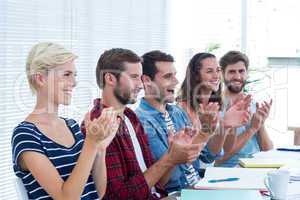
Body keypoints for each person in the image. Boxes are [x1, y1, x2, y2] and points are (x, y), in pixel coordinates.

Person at [81, 48, 202, 199]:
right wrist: (169, 159)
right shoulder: (98, 124)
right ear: (110, 79)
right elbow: (120, 197)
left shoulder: (130, 117)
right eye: (134, 77)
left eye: (140, 77)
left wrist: (172, 156)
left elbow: (157, 185)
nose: (140, 84)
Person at [11, 42, 119, 199]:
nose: (74, 83)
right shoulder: (25, 135)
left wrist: (99, 148)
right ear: (41, 79)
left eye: (74, 76)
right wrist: (90, 144)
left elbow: (99, 192)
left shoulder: (72, 126)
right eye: (67, 75)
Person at [135, 50, 240, 193]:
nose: (176, 81)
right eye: (168, 76)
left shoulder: (176, 113)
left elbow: (207, 156)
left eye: (175, 75)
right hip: (178, 192)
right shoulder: (142, 121)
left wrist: (216, 128)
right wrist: (175, 155)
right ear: (146, 81)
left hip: (197, 186)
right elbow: (162, 182)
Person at [176, 52, 252, 168]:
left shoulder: (216, 106)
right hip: (194, 175)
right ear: (196, 75)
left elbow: (216, 153)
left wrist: (228, 126)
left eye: (218, 70)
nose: (216, 76)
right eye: (209, 71)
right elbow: (193, 158)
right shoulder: (182, 109)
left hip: (208, 174)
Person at [215, 50, 273, 167]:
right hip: (228, 171)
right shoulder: (215, 107)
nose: (237, 76)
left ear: (247, 73)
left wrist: (260, 125)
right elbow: (219, 158)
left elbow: (268, 151)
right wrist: (251, 129)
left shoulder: (253, 104)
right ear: (222, 74)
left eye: (241, 71)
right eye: (232, 72)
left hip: (256, 167)